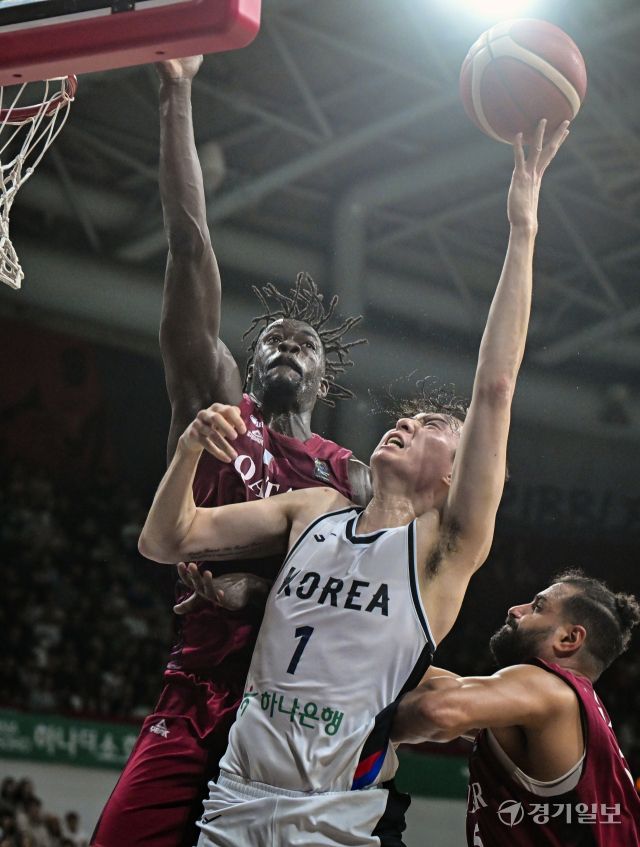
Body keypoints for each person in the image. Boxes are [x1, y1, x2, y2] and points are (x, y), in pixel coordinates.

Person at [138, 119, 569, 846]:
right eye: (407, 417)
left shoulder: (441, 552)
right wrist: (187, 450)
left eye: (432, 423)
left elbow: (495, 387)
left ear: (459, 472)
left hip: (333, 818)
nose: (407, 423)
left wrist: (522, 226)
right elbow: (165, 540)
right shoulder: (315, 507)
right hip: (235, 801)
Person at [91, 56, 370, 847]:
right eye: (273, 339)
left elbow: (382, 581)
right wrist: (177, 90)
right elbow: (187, 243)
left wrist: (260, 586)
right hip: (200, 689)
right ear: (245, 366)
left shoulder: (345, 472)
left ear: (324, 374)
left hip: (294, 712)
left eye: (303, 343)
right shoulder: (215, 404)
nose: (287, 345)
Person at [392, 571, 640, 845]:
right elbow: (432, 683)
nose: (515, 609)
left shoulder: (550, 689)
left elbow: (438, 709)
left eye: (537, 607)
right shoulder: (567, 708)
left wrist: (368, 727)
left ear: (569, 638)